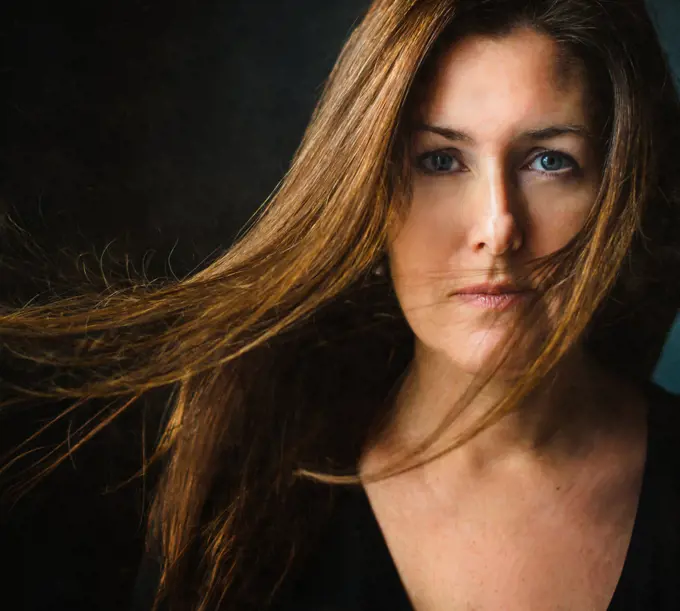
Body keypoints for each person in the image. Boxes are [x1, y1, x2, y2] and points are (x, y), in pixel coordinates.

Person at [2, 0, 680, 609]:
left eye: (550, 161)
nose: (499, 226)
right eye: (440, 161)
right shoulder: (248, 491)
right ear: (368, 194)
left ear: (616, 194)